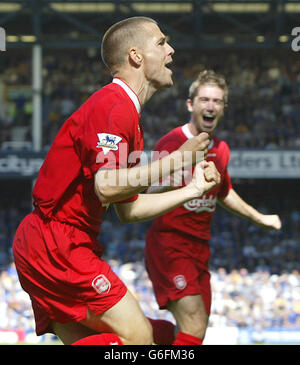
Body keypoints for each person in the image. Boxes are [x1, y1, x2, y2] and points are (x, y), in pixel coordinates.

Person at [12, 17, 220, 346]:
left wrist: (192, 189)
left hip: (52, 242)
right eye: (161, 43)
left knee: (142, 339)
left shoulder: (126, 116)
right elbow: (106, 186)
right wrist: (178, 159)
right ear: (136, 56)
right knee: (140, 339)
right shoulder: (113, 106)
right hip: (56, 242)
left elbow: (129, 211)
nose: (171, 50)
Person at [145, 70, 282, 345]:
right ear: (190, 104)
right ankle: (118, 327)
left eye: (217, 101)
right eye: (204, 99)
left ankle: (126, 331)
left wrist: (259, 218)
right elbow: (144, 192)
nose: (210, 106)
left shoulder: (221, 149)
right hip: (169, 245)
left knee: (192, 332)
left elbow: (224, 192)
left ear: (223, 108)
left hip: (200, 251)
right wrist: (177, 174)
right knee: (193, 324)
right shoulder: (172, 143)